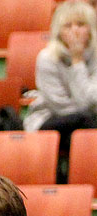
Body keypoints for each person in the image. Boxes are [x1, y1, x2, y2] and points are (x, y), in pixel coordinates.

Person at [23, 0, 97, 182]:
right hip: (50, 119)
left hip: (88, 122)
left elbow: (92, 99)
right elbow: (60, 106)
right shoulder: (47, 58)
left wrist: (77, 61)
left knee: (82, 135)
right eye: (68, 25)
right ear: (58, 31)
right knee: (85, 122)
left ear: (91, 29)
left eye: (81, 25)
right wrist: (77, 60)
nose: (75, 30)